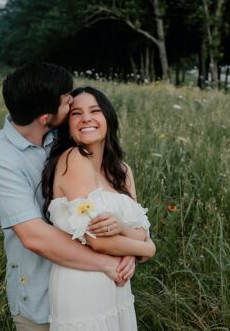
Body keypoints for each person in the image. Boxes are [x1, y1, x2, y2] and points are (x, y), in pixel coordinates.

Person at [0, 63, 137, 331]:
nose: (73, 100)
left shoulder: (64, 133)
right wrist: (109, 261)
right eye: (67, 101)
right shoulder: (0, 161)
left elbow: (111, 194)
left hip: (97, 289)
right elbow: (34, 236)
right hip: (41, 296)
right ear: (44, 117)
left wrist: (129, 248)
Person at [40, 86, 156, 330]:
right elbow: (98, 241)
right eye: (76, 114)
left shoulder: (122, 171)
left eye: (95, 110)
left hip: (119, 285)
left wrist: (125, 235)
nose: (86, 119)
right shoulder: (73, 158)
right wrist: (148, 249)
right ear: (68, 127)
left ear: (108, 118)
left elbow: (140, 228)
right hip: (83, 284)